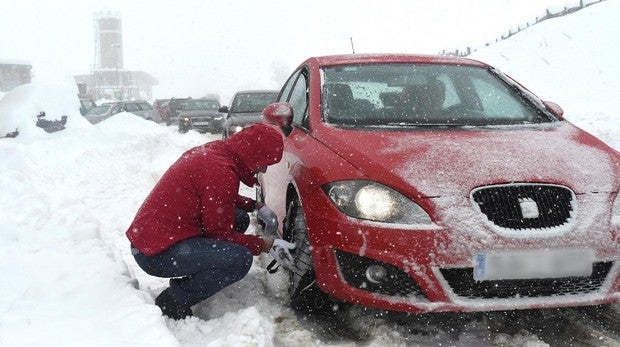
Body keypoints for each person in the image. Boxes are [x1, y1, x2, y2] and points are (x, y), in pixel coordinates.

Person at [126, 123, 296, 320]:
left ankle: (201, 271)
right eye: (265, 162)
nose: (264, 169)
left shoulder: (216, 154)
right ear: (254, 154)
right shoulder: (220, 170)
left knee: (239, 218)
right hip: (156, 254)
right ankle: (174, 300)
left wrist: (254, 205)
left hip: (154, 240)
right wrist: (264, 245)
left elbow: (216, 195)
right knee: (239, 260)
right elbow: (219, 233)